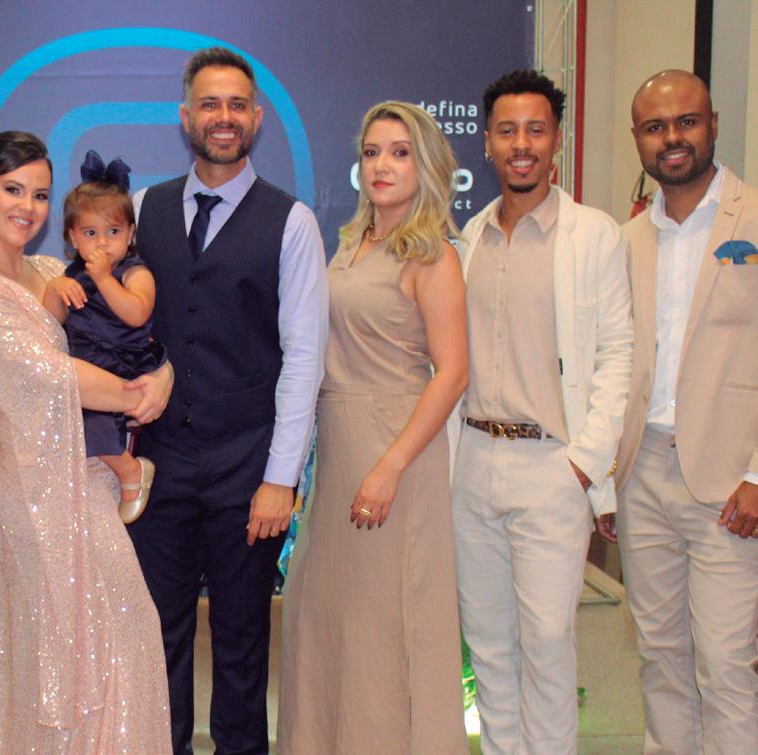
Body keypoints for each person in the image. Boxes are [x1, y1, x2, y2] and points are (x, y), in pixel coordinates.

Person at [0, 130, 173, 753]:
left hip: (90, 477)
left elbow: (131, 333)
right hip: (39, 494)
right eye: (13, 190)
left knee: (120, 640)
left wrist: (162, 374)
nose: (28, 206)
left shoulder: (48, 270)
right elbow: (51, 374)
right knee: (74, 652)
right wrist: (134, 396)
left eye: (40, 194)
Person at [127, 47, 329, 754]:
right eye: (209, 104)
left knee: (242, 640)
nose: (223, 117)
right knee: (158, 635)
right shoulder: (143, 210)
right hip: (159, 465)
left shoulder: (292, 222)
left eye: (237, 105)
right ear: (186, 117)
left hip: (248, 466)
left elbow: (304, 358)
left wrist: (280, 479)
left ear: (257, 118)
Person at [278, 101, 469, 753]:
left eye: (399, 152)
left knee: (382, 626)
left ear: (427, 166)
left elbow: (452, 373)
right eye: (371, 152)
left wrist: (388, 467)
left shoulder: (433, 255)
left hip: (395, 451)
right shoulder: (347, 242)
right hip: (336, 449)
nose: (382, 165)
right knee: (324, 616)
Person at [451, 70, 632, 754]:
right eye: (506, 131)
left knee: (548, 646)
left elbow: (617, 353)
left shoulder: (594, 235)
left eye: (535, 130)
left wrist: (583, 464)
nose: (520, 144)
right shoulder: (469, 238)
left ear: (557, 140)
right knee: (489, 650)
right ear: (487, 143)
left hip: (551, 467)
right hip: (472, 463)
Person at [614, 69, 758, 754]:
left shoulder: (752, 219)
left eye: (686, 121)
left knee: (725, 668)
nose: (671, 137)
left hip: (728, 486)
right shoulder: (627, 238)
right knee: (661, 659)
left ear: (713, 124)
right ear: (637, 139)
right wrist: (607, 478)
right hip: (642, 475)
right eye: (655, 126)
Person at [43, 150, 165, 524]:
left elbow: (137, 312)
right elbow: (49, 322)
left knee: (91, 423)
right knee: (68, 423)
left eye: (113, 232)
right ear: (72, 237)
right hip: (84, 363)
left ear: (130, 234)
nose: (102, 244)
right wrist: (56, 287)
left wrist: (104, 279)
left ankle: (131, 471)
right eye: (90, 233)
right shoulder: (73, 275)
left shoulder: (134, 272)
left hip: (123, 364)